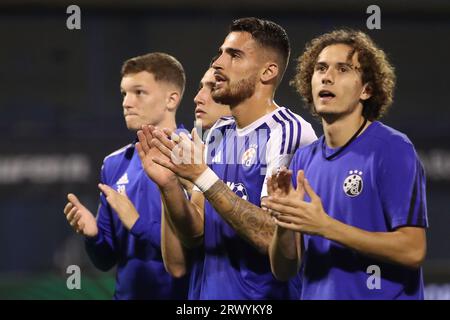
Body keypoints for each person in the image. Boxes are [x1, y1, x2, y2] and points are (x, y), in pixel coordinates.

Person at [137, 17, 317, 299]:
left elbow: (274, 237)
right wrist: (169, 186)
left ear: (268, 72)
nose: (218, 63)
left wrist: (202, 176)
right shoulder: (219, 132)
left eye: (234, 55)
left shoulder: (289, 132)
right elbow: (195, 232)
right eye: (221, 53)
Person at [264, 29, 428, 299]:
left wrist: (326, 226)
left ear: (366, 89)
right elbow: (284, 270)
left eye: (342, 69)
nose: (327, 77)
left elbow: (413, 250)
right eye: (320, 69)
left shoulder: (393, 149)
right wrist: (285, 221)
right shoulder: (304, 159)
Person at [62, 52, 189, 299]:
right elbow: (105, 260)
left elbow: (199, 251)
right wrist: (94, 236)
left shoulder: (197, 158)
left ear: (171, 99)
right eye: (124, 93)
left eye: (139, 92)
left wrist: (138, 224)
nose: (127, 102)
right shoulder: (113, 164)